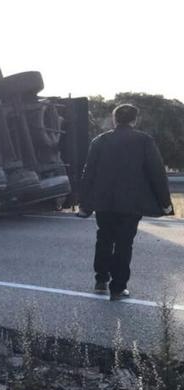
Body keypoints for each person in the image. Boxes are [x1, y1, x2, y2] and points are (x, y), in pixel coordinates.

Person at [77, 104, 174, 301]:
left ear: (114, 119)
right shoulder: (144, 141)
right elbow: (157, 173)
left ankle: (100, 281)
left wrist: (84, 201)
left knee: (103, 239)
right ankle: (118, 288)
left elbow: (89, 173)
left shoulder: (100, 141)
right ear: (134, 120)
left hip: (103, 201)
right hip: (131, 203)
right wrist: (165, 202)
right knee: (124, 243)